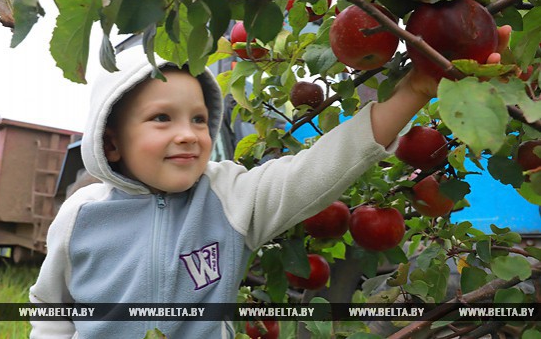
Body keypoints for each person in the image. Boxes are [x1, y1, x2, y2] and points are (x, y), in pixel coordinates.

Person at [29, 27, 509, 338]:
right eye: (161, 118)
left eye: (200, 119)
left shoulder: (230, 197)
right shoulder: (82, 215)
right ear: (111, 142)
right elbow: (51, 307)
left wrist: (413, 92)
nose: (188, 135)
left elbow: (318, 168)